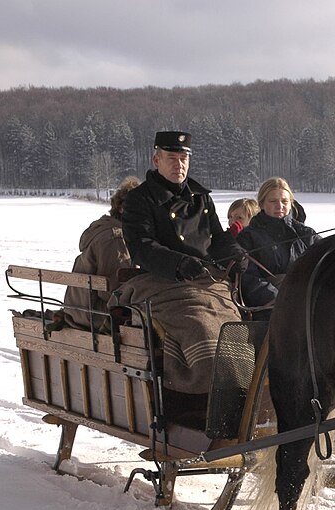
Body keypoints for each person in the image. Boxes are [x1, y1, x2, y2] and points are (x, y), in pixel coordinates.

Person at [115, 130, 247, 396]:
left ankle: (241, 390)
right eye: (172, 158)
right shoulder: (139, 199)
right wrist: (179, 263)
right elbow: (142, 248)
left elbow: (218, 238)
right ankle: (206, 393)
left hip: (207, 282)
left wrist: (236, 253)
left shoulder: (201, 197)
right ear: (156, 160)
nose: (179, 164)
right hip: (161, 283)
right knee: (201, 327)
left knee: (235, 331)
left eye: (184, 158)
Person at [62, 175, 141, 331]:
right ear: (122, 208)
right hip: (95, 314)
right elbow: (115, 290)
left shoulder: (106, 228)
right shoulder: (115, 238)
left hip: (80, 310)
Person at [237, 177, 321, 318]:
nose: (279, 206)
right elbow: (248, 279)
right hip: (268, 309)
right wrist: (281, 299)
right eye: (273, 201)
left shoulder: (306, 234)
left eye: (284, 201)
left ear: (291, 203)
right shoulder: (247, 237)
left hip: (307, 303)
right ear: (262, 204)